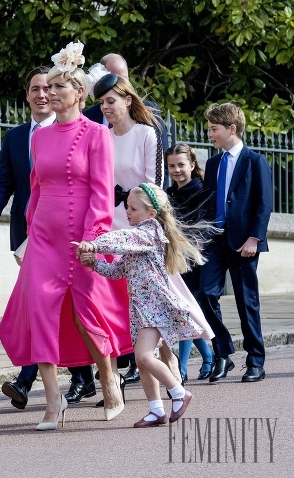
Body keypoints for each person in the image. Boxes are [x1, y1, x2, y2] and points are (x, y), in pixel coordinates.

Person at [0, 40, 132, 430]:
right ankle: (53, 400)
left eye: (58, 87)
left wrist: (94, 238)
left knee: (86, 313)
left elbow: (102, 191)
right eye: (46, 87)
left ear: (78, 93)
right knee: (39, 311)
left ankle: (109, 379)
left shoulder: (96, 134)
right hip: (43, 237)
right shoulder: (39, 137)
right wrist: (28, 235)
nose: (49, 93)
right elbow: (36, 188)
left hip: (81, 238)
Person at [76, 183, 215, 428]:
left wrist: (94, 244)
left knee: (142, 356)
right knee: (142, 360)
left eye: (133, 208)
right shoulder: (138, 237)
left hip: (154, 308)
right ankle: (156, 410)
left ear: (151, 214)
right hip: (141, 309)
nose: (127, 211)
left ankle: (179, 393)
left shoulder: (148, 232)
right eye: (127, 207)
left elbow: (120, 238)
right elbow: (118, 270)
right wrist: (93, 263)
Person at [0, 66, 67, 410]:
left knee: (50, 307)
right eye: (35, 89)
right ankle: (71, 379)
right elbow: (3, 181)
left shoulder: (67, 131)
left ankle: (28, 379)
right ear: (27, 95)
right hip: (26, 236)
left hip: (60, 233)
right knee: (40, 306)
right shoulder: (16, 137)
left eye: (47, 88)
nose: (42, 94)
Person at [92, 72, 167, 388]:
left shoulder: (148, 135)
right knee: (113, 304)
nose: (105, 108)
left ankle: (170, 376)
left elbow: (156, 188)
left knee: (150, 305)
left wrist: (138, 213)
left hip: (140, 231)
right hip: (109, 227)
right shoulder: (101, 136)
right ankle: (117, 372)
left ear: (127, 99)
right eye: (101, 103)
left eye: (111, 101)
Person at [197, 102, 273, 383]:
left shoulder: (255, 161)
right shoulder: (213, 163)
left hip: (244, 243)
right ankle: (223, 352)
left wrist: (255, 238)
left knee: (246, 302)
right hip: (215, 241)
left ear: (232, 129)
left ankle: (256, 361)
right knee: (204, 295)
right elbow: (207, 203)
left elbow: (264, 205)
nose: (209, 134)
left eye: (213, 129)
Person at [165, 143, 215, 381]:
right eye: (171, 166)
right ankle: (207, 355)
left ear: (192, 165)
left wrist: (190, 247)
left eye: (181, 165)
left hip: (193, 259)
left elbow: (204, 226)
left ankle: (182, 369)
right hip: (172, 257)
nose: (176, 170)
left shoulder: (203, 190)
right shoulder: (168, 193)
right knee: (182, 310)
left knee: (185, 310)